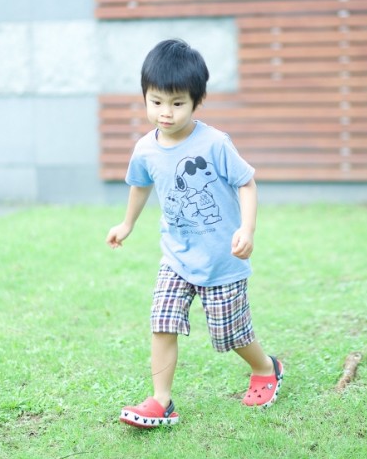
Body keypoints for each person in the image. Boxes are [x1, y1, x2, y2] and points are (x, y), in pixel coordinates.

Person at [106, 38, 283, 428]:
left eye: (177, 103)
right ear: (145, 97)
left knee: (231, 334)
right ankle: (161, 401)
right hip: (177, 256)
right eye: (156, 101)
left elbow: (247, 183)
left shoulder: (215, 143)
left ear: (196, 101)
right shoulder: (145, 149)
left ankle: (266, 367)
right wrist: (127, 224)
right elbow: (140, 185)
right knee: (162, 320)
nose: (165, 113)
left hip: (222, 258)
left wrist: (247, 229)